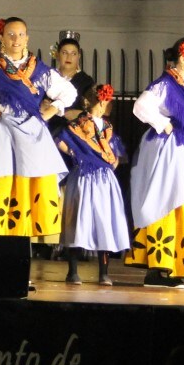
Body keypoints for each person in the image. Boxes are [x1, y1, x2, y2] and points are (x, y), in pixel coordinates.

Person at [0, 17, 76, 238]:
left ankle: (21, 241)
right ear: (1, 39)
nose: (16, 39)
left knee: (29, 188)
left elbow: (68, 92)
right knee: (0, 184)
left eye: (20, 35)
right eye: (10, 34)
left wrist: (52, 109)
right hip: (1, 133)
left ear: (27, 38)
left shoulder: (39, 69)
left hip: (32, 133)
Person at [127, 36, 184, 289]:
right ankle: (159, 267)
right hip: (171, 150)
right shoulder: (166, 84)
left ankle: (181, 263)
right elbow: (141, 106)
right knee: (168, 199)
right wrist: (163, 123)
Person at [55, 84, 129, 286]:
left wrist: (114, 160)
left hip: (104, 179)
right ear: (103, 102)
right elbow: (59, 140)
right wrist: (74, 153)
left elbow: (118, 152)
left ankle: (103, 272)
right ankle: (73, 271)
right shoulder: (79, 124)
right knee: (80, 219)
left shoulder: (107, 128)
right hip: (85, 176)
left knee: (104, 221)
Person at [45, 30, 95, 137]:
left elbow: (92, 112)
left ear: (79, 56)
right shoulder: (48, 77)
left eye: (73, 53)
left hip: (75, 133)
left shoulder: (86, 81)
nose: (69, 57)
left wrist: (75, 113)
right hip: (49, 130)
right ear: (57, 54)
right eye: (64, 53)